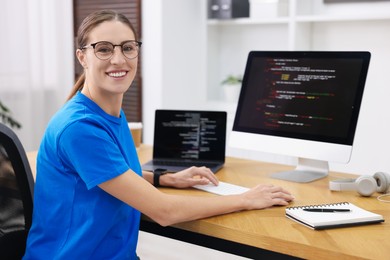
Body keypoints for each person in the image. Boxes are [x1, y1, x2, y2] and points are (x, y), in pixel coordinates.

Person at [23, 10, 294, 259]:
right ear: (82, 56)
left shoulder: (106, 110)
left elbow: (110, 173)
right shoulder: (80, 129)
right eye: (103, 49)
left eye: (128, 48)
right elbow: (164, 212)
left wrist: (165, 178)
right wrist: (246, 198)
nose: (118, 59)